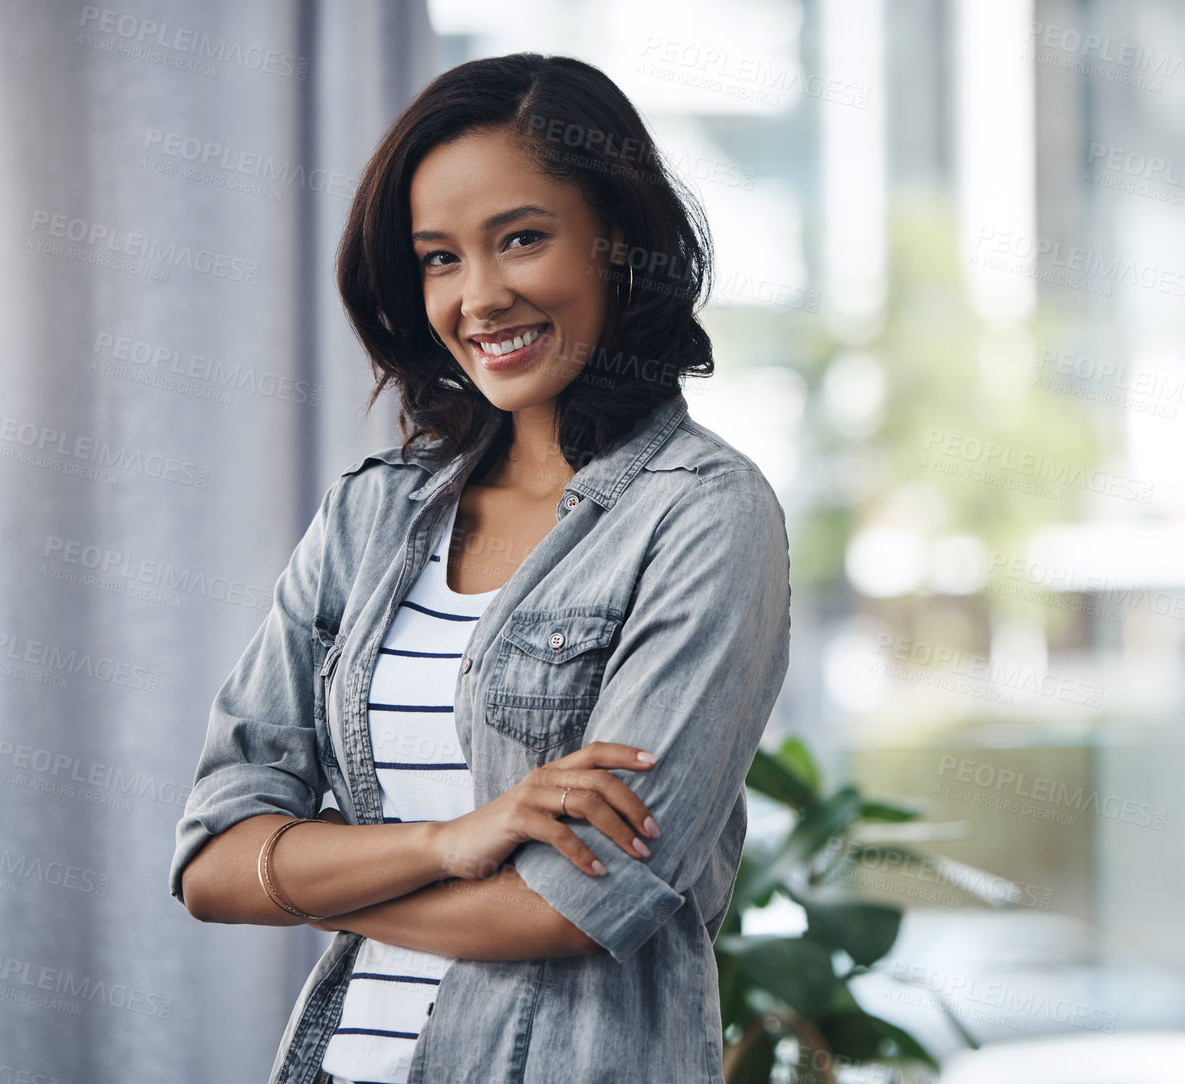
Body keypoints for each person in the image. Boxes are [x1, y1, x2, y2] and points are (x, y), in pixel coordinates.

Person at [168, 52, 791, 1084]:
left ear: (617, 241)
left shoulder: (702, 514)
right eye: (437, 259)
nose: (479, 297)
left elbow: (576, 902)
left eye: (520, 239)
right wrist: (453, 840)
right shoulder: (368, 515)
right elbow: (209, 860)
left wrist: (306, 871)